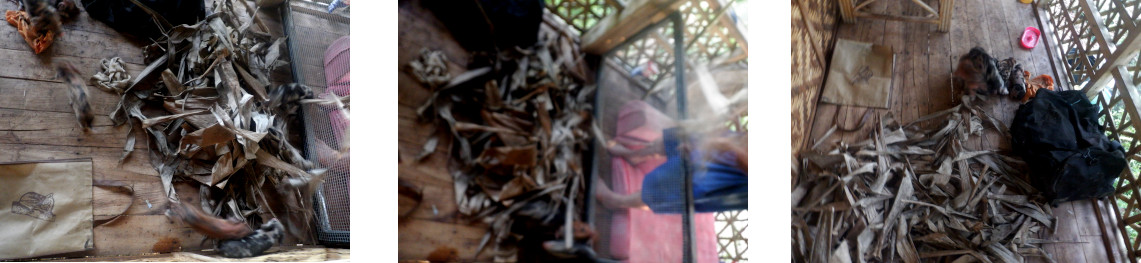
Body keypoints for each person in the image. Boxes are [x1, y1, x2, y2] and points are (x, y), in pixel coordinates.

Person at [594, 123, 747, 213]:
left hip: (739, 174)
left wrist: (724, 146)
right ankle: (636, 154)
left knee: (684, 184)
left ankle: (617, 201)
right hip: (737, 143)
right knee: (682, 134)